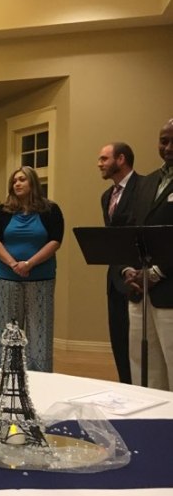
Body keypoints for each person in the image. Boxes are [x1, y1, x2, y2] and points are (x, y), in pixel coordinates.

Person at [0, 166, 64, 372]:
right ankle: (6, 376)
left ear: (33, 182)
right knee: (8, 331)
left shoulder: (50, 210)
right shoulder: (2, 211)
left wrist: (29, 264)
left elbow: (55, 241)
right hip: (7, 277)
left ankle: (40, 377)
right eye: (14, 181)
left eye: (22, 179)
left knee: (40, 332)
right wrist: (13, 264)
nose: (17, 184)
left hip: (41, 278)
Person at [124, 119, 173, 390]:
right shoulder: (147, 182)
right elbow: (133, 230)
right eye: (163, 141)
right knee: (143, 368)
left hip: (169, 288)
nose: (168, 147)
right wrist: (129, 270)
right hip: (139, 290)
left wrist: (157, 273)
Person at [98, 142, 140, 384]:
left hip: (139, 279)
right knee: (119, 342)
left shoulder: (143, 187)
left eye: (104, 158)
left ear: (121, 159)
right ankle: (126, 388)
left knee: (138, 348)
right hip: (115, 278)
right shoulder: (106, 197)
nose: (99, 164)